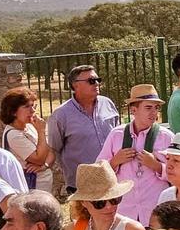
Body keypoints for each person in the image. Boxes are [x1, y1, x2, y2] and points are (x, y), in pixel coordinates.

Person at [95, 84, 171, 222]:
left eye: (156, 108)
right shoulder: (116, 135)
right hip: (124, 211)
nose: (154, 113)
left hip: (156, 211)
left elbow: (179, 174)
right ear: (134, 110)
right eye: (148, 107)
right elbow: (98, 173)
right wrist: (115, 161)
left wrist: (157, 166)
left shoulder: (166, 137)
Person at [45, 64, 122, 195]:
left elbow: (118, 136)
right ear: (75, 85)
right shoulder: (61, 115)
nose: (96, 84)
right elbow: (54, 149)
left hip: (112, 177)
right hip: (81, 185)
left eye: (98, 80)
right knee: (82, 216)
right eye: (91, 81)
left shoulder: (107, 104)